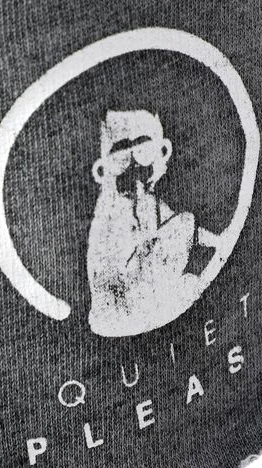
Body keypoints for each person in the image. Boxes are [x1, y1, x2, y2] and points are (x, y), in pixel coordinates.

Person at [87, 110, 220, 337]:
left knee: (184, 230)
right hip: (121, 307)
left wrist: (218, 242)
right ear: (103, 169)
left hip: (153, 294)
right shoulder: (108, 216)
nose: (133, 161)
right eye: (121, 152)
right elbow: (109, 275)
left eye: (142, 147)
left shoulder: (150, 202)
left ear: (162, 151)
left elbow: (187, 230)